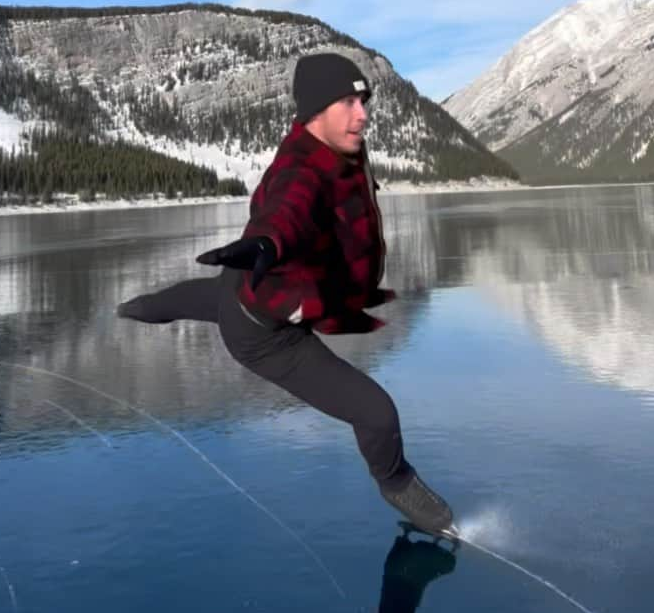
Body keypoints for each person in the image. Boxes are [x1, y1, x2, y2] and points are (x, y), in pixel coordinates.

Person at [117, 51, 456, 538]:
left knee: (193, 301)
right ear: (316, 109)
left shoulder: (340, 146)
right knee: (376, 413)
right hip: (266, 334)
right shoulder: (303, 168)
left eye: (364, 100)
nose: (363, 113)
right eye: (347, 102)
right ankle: (395, 482)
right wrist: (268, 242)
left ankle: (135, 308)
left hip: (248, 289)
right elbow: (288, 210)